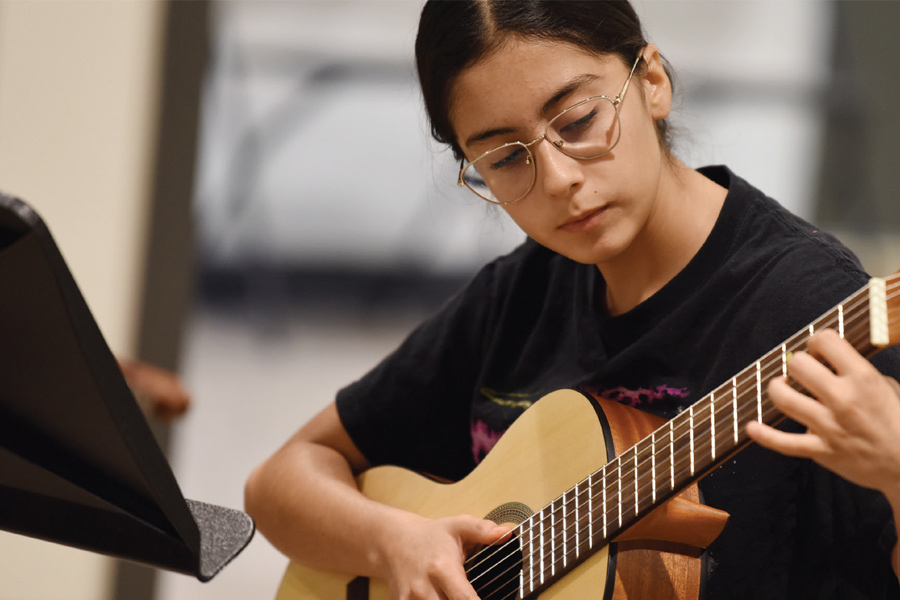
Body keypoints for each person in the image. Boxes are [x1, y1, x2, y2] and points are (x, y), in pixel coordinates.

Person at [245, 1, 900, 598]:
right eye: (504, 158)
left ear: (651, 82)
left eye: (580, 119)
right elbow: (279, 484)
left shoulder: (815, 307)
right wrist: (397, 543)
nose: (557, 180)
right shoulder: (523, 293)